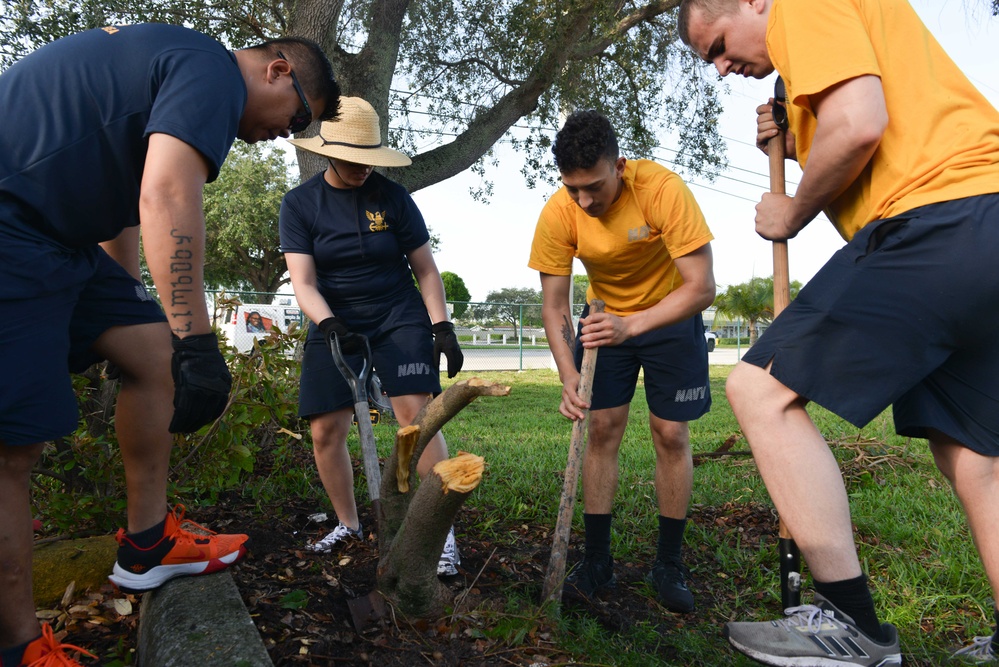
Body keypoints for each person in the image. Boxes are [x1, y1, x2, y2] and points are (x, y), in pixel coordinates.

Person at [0, 24, 341, 666]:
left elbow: (127, 201)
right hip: (11, 227)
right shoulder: (210, 69)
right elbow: (166, 194)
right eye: (298, 117)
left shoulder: (172, 65)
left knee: (150, 352)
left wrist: (134, 308)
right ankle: (18, 649)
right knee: (11, 450)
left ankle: (147, 544)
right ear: (275, 69)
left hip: (58, 238)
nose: (288, 133)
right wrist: (197, 340)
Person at [678, 0, 999, 663]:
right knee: (974, 454)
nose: (717, 66)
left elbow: (856, 126)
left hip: (935, 221)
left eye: (714, 44)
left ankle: (850, 623)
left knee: (757, 391)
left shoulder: (801, 4)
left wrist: (792, 209)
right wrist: (795, 140)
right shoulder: (822, 48)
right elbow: (865, 125)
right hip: (984, 219)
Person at [529, 110, 716, 613]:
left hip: (670, 314)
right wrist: (568, 374)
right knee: (603, 430)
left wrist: (633, 324)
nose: (584, 201)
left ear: (618, 165)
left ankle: (669, 563)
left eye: (594, 186)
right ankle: (597, 562)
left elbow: (702, 288)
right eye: (573, 189)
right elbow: (553, 306)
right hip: (604, 319)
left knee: (671, 434)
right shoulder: (560, 211)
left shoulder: (661, 190)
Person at [280, 96, 465, 576]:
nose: (363, 168)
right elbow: (303, 283)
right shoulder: (300, 205)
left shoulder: (393, 198)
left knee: (415, 419)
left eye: (369, 159)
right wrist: (329, 324)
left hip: (396, 313)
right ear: (327, 153)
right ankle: (348, 522)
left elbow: (425, 270)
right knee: (325, 430)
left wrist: (440, 325)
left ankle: (439, 533)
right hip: (333, 317)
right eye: (352, 160)